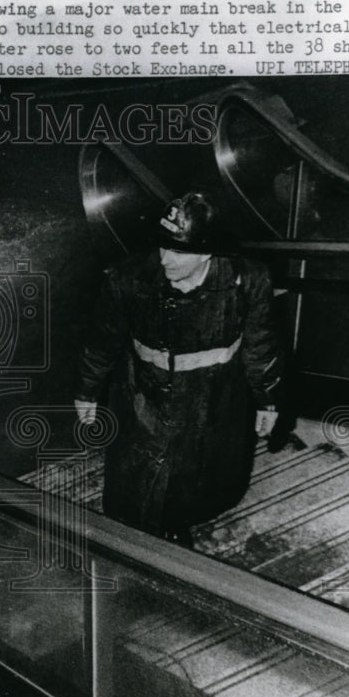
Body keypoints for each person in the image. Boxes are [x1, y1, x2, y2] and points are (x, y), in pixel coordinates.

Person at [74, 191, 284, 546]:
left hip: (212, 396)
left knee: (195, 473)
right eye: (162, 247)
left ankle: (176, 525)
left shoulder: (248, 281)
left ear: (206, 253)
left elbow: (261, 346)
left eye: (177, 252)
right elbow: (102, 341)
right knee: (139, 477)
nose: (164, 259)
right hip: (144, 390)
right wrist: (86, 392)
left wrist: (268, 401)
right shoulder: (128, 279)